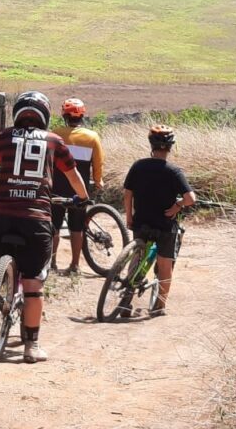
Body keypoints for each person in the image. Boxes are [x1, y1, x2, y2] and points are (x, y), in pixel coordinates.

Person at [0, 91, 89, 363]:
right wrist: (82, 199)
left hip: (1, 217)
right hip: (36, 220)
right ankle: (31, 346)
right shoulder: (54, 142)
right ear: (45, 116)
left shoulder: (3, 138)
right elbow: (73, 177)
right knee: (34, 284)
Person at [122, 125, 196, 317]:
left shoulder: (138, 166)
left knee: (136, 257)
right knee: (165, 264)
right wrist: (178, 206)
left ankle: (125, 301)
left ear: (151, 144)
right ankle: (159, 306)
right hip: (165, 224)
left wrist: (129, 216)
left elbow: (128, 194)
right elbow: (191, 199)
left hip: (141, 222)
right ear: (170, 146)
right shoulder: (174, 171)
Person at [51, 97, 105, 273]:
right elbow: (98, 163)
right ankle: (75, 265)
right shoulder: (92, 137)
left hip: (57, 187)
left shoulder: (55, 134)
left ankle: (51, 263)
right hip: (79, 189)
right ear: (82, 115)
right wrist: (98, 181)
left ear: (64, 115)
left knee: (54, 226)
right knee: (76, 227)